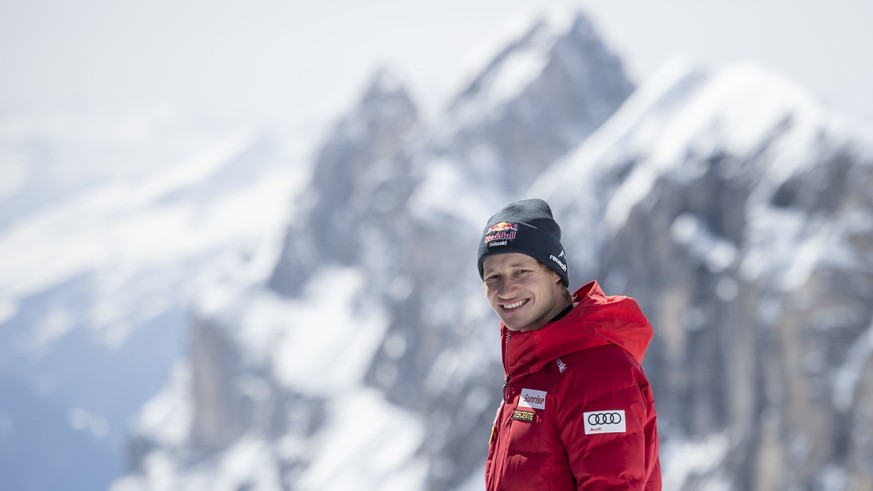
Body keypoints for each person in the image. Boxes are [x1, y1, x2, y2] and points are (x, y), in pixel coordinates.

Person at [478, 198, 661, 490]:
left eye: (521, 271)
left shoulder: (597, 370)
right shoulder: (531, 368)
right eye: (493, 277)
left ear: (556, 275)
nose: (505, 289)